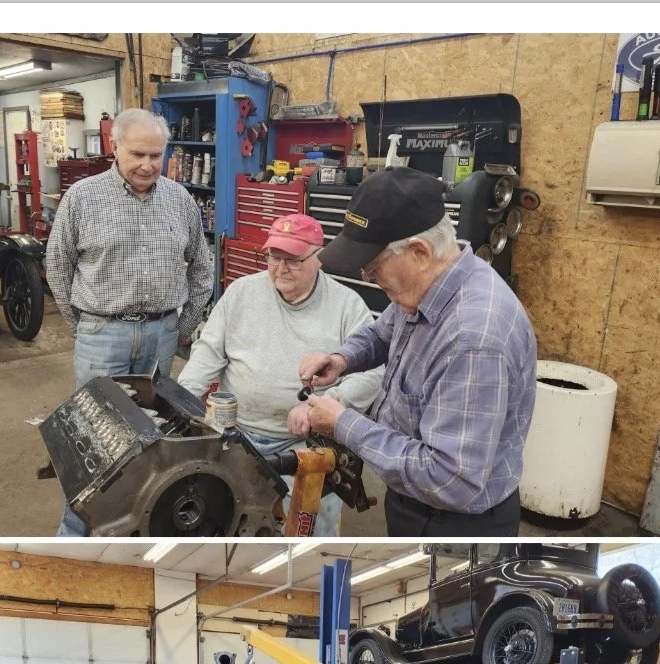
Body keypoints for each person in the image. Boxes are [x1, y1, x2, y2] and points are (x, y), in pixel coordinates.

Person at [298, 168, 537, 538]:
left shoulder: (472, 339)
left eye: (373, 266)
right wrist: (342, 359)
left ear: (420, 252)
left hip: (454, 523)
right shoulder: (430, 282)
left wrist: (343, 424)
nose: (367, 277)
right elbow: (383, 332)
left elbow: (450, 479)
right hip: (412, 498)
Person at [46, 107, 214, 535]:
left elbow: (202, 270)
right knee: (93, 441)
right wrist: (86, 325)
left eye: (156, 155)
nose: (147, 165)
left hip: (161, 336)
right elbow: (58, 266)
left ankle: (135, 524)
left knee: (154, 436)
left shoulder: (180, 201)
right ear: (114, 147)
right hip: (102, 333)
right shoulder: (82, 198)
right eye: (138, 154)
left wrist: (180, 328)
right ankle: (76, 532)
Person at [178, 213, 383, 536]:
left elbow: (372, 374)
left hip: (308, 444)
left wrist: (323, 406)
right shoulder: (242, 292)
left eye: (293, 259)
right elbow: (208, 352)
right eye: (274, 256)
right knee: (234, 523)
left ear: (318, 258)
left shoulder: (347, 305)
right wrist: (182, 399)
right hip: (237, 436)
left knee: (312, 531)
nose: (281, 268)